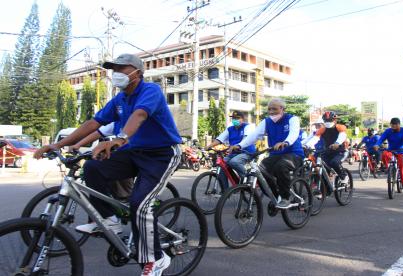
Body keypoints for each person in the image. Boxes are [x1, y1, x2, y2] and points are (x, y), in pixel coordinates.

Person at [34, 53, 181, 276]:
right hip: (134, 152)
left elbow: (140, 115)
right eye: (115, 69)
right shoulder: (119, 100)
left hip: (161, 155)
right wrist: (58, 145)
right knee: (92, 167)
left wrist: (119, 138)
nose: (117, 73)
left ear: (137, 73)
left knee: (139, 204)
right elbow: (94, 123)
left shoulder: (150, 91)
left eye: (123, 69)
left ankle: (156, 258)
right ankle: (110, 220)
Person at [229, 98, 304, 208]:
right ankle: (276, 196)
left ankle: (285, 198)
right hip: (275, 154)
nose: (271, 111)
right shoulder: (266, 121)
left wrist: (285, 142)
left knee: (281, 167)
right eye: (269, 109)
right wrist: (240, 145)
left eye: (274, 109)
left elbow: (293, 134)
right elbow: (254, 136)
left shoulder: (292, 119)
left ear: (282, 109)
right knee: (260, 169)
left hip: (294, 154)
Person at [206, 111, 255, 187]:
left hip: (247, 152)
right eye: (234, 118)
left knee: (234, 162)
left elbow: (246, 140)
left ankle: (247, 178)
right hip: (234, 153)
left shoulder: (247, 127)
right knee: (221, 166)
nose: (235, 120)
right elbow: (220, 139)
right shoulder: (230, 129)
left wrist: (237, 146)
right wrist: (209, 146)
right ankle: (225, 191)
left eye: (238, 118)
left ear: (243, 119)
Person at [306, 111, 349, 185]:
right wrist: (307, 146)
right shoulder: (322, 129)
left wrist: (337, 143)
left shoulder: (340, 127)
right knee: (321, 167)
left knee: (334, 163)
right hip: (327, 151)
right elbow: (315, 138)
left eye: (330, 120)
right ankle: (325, 189)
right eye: (326, 120)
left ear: (335, 120)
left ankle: (344, 176)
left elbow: (342, 135)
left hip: (340, 151)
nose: (328, 122)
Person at [374, 117, 403, 189]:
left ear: (399, 125)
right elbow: (381, 139)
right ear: (391, 125)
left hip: (402, 150)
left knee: (402, 165)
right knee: (384, 154)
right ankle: (387, 168)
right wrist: (377, 144)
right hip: (391, 150)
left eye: (395, 125)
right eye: (392, 125)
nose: (393, 127)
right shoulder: (388, 131)